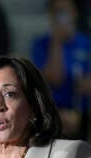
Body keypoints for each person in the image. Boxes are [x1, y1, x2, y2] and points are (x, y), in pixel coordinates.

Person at [31, 0, 91, 140]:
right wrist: (57, 41)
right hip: (53, 113)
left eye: (65, 11)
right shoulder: (41, 45)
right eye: (57, 12)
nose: (62, 17)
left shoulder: (86, 44)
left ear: (74, 13)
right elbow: (54, 78)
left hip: (82, 113)